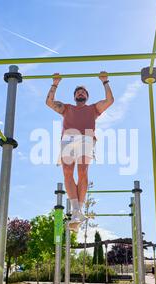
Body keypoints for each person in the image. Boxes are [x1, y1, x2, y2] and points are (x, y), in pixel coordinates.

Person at [46, 71, 115, 232]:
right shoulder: (67, 108)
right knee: (67, 173)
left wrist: (105, 81)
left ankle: (79, 209)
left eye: (83, 91)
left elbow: (110, 100)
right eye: (78, 92)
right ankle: (76, 211)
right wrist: (55, 83)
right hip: (68, 140)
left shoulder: (93, 109)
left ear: (87, 96)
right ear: (74, 96)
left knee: (82, 171)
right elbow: (49, 102)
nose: (80, 93)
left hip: (86, 138)